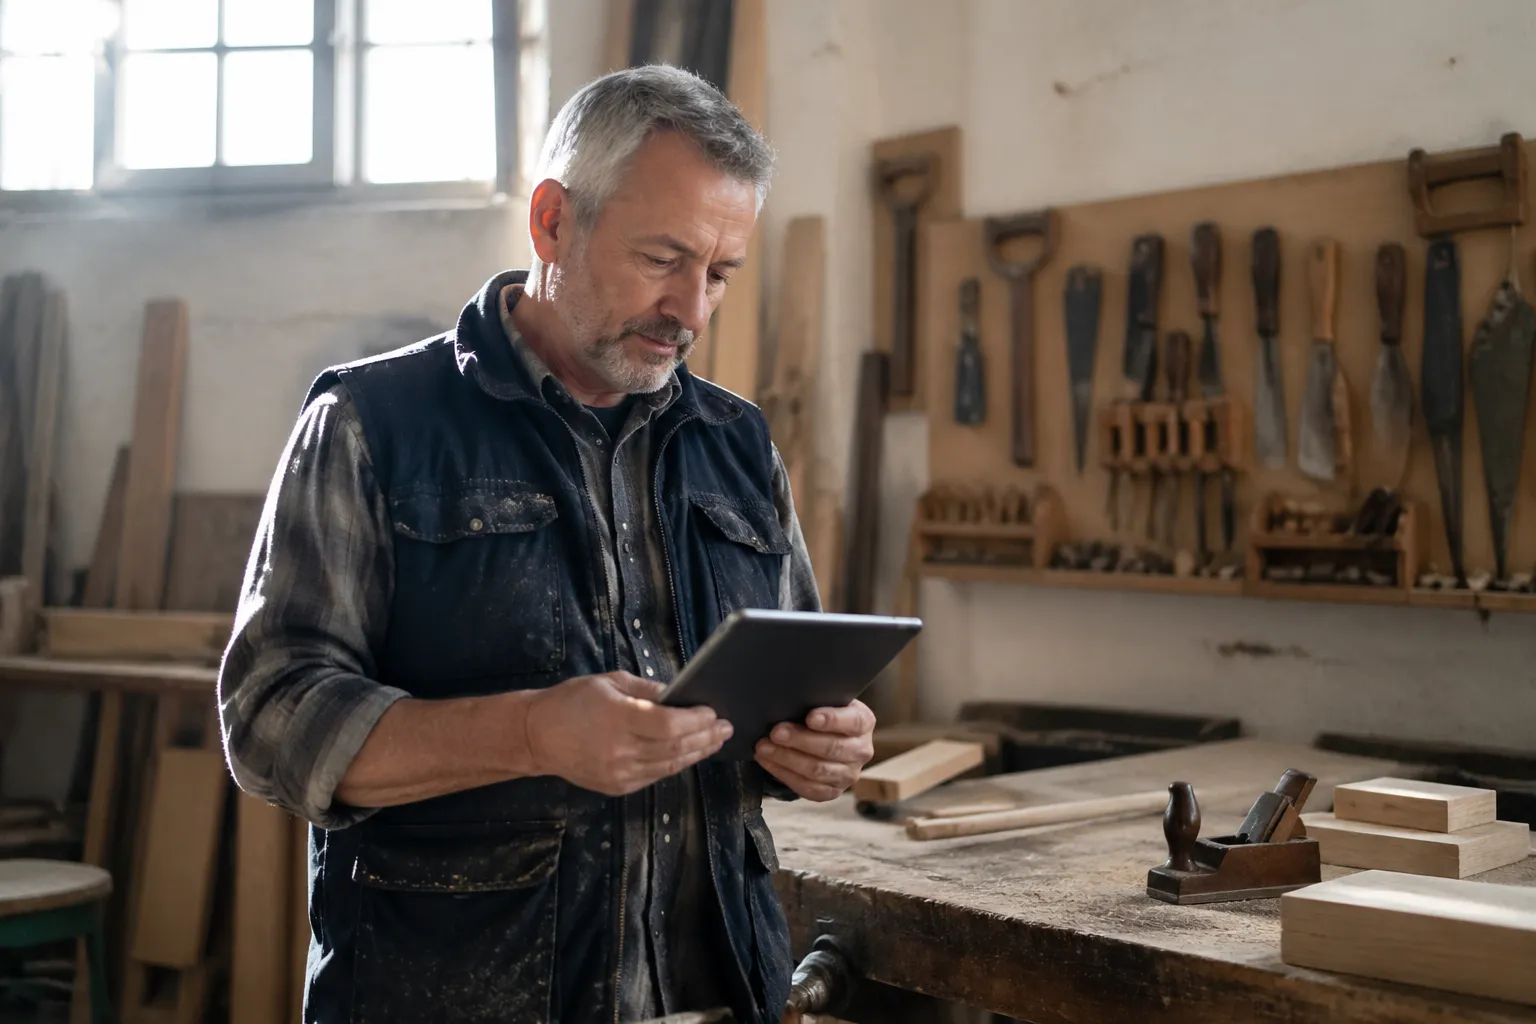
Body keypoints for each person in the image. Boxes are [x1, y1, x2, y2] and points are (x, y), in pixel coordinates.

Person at [218, 64, 877, 1024]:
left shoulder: (737, 446)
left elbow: (794, 689)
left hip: (718, 995)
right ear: (553, 221)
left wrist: (821, 746)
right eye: (662, 259)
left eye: (719, 274)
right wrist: (529, 733)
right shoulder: (371, 424)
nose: (691, 311)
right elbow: (269, 722)